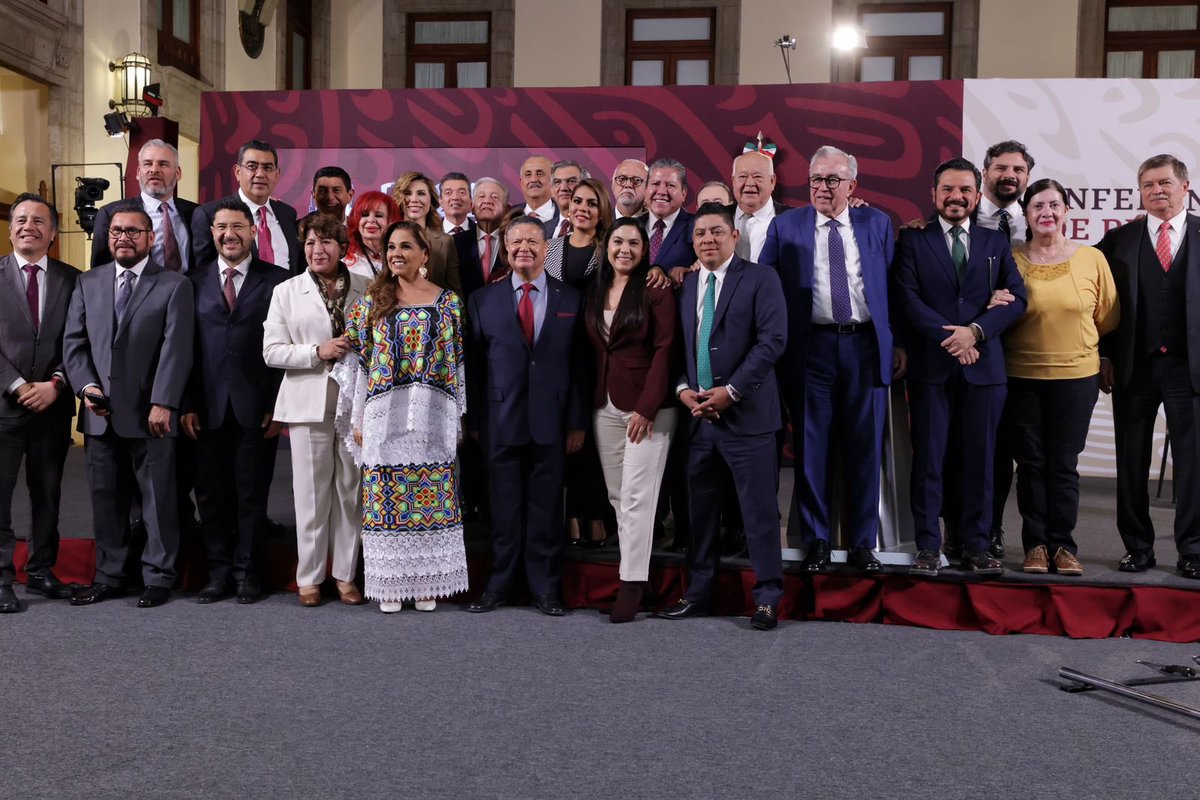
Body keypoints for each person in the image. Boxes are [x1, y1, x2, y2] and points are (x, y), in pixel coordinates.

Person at [760, 145, 902, 574]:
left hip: (864, 347)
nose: (822, 187)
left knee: (865, 449)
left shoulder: (877, 223)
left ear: (851, 185)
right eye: (816, 180)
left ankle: (862, 543)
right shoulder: (787, 226)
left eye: (832, 180)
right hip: (811, 350)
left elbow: (891, 287)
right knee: (811, 449)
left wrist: (897, 343)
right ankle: (817, 541)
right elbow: (765, 286)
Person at [653, 202, 787, 631]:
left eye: (716, 232)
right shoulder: (689, 285)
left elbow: (772, 341)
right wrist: (682, 390)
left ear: (735, 237)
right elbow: (679, 350)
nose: (707, 239)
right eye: (700, 234)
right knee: (700, 514)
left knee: (759, 513)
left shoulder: (761, 278)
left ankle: (767, 598)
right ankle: (698, 593)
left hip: (746, 416)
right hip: (699, 420)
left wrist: (731, 391)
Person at [893, 158, 1027, 578]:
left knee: (981, 461)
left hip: (985, 370)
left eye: (965, 190)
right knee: (929, 459)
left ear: (976, 194)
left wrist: (976, 332)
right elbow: (907, 298)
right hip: (933, 367)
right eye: (948, 189)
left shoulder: (995, 243)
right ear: (934, 194)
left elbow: (1018, 300)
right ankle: (929, 546)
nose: (956, 197)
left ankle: (977, 545)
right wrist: (952, 338)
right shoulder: (912, 240)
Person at [333, 221, 469, 613]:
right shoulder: (373, 302)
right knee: (385, 498)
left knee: (430, 498)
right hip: (382, 417)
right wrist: (358, 420)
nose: (397, 253)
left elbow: (456, 366)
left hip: (431, 416)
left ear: (424, 255)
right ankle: (390, 585)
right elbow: (359, 365)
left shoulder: (448, 303)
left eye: (406, 246)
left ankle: (426, 584)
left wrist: (455, 417)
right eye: (391, 246)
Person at [63, 202, 194, 608]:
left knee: (158, 500)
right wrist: (85, 388)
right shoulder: (88, 282)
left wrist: (163, 402)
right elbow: (74, 343)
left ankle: (159, 576)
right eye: (117, 231)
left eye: (134, 231)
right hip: (98, 414)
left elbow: (177, 349)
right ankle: (111, 575)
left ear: (150, 239)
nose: (124, 237)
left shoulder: (174, 284)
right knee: (106, 500)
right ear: (108, 236)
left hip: (151, 414)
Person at [465, 215, 588, 616]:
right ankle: (498, 587)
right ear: (505, 246)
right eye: (516, 242)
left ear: (546, 247)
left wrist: (576, 422)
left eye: (533, 242)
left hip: (552, 422)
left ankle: (545, 590)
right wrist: (477, 423)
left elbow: (580, 366)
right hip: (500, 422)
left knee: (546, 511)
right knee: (502, 511)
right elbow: (475, 369)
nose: (524, 249)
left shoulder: (571, 298)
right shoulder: (483, 299)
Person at [996, 179, 1118, 575]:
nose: (1046, 212)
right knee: (1030, 464)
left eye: (1054, 205)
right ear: (1026, 214)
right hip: (1021, 375)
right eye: (1038, 206)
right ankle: (1034, 546)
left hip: (1077, 376)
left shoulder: (1092, 258)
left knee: (1063, 464)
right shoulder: (1008, 258)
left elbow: (1108, 315)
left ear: (1066, 211)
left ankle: (1063, 545)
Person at [1098, 154, 1200, 578]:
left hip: (1189, 371)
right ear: (1139, 192)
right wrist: (1103, 353)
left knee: (1194, 466)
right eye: (1148, 185)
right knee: (1131, 461)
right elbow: (1098, 301)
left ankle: (1193, 550)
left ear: (1185, 185)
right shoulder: (1118, 241)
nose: (1157, 191)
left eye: (1164, 183)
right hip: (1133, 369)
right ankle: (1137, 547)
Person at [181, 198, 288, 604]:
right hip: (205, 409)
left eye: (238, 227)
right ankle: (218, 573)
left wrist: (279, 406)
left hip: (256, 408)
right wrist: (187, 403)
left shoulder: (279, 280)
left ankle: (248, 574)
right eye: (222, 227)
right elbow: (183, 350)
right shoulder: (190, 282)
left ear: (252, 231)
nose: (229, 234)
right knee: (210, 496)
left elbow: (286, 349)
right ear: (212, 233)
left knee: (251, 495)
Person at [262, 215, 368, 606]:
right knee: (310, 494)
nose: (316, 250)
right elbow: (271, 351)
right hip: (308, 402)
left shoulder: (366, 287)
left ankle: (344, 575)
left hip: (355, 404)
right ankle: (308, 576)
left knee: (350, 492)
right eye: (309, 243)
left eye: (325, 242)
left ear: (343, 247)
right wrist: (316, 352)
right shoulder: (286, 291)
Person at [585, 218, 676, 622]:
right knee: (619, 498)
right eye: (618, 241)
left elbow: (665, 350)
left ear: (645, 251)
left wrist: (648, 406)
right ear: (606, 246)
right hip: (603, 404)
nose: (625, 248)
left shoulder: (655, 289)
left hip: (646, 407)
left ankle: (632, 585)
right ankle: (639, 575)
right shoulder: (594, 289)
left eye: (634, 243)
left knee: (639, 498)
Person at [0, 194, 80, 613]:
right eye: (20, 219)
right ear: (11, 227)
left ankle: (41, 570)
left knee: (47, 493)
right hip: (3, 406)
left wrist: (56, 383)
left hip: (53, 404)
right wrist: (15, 384)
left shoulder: (74, 279)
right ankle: (0, 578)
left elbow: (80, 341)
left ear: (52, 232)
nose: (28, 225)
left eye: (38, 221)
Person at [544, 177, 614, 548]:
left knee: (589, 438)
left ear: (601, 210)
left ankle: (595, 514)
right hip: (557, 353)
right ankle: (569, 515)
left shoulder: (612, 249)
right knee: (562, 436)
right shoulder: (550, 248)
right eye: (577, 201)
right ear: (567, 208)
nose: (583, 208)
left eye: (591, 202)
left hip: (597, 353)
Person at [192, 139, 304, 274]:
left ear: (277, 174)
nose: (260, 174)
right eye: (252, 166)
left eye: (268, 168)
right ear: (238, 172)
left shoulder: (287, 213)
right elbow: (204, 274)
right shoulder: (209, 214)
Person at [92, 138, 198, 272]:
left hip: (188, 290)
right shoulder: (110, 213)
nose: (154, 170)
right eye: (147, 164)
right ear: (138, 172)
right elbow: (99, 270)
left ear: (178, 173)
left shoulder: (196, 213)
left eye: (163, 164)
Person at [390, 170, 463, 296]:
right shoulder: (387, 237)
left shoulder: (445, 242)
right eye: (408, 193)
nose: (414, 199)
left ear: (431, 200)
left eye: (421, 194)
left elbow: (455, 293)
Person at [456, 177, 508, 298]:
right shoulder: (456, 242)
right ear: (472, 207)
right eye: (481, 196)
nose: (487, 201)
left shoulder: (514, 243)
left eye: (494, 197)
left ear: (506, 208)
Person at [732, 150, 788, 263]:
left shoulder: (792, 220)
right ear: (733, 181)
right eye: (742, 176)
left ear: (772, 181)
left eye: (757, 176)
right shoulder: (718, 216)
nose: (750, 183)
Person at [344, 190, 401, 278]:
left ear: (391, 221)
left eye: (378, 215)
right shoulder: (344, 259)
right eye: (365, 215)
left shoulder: (400, 257)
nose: (371, 220)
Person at [516, 155, 559, 237]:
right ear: (521, 183)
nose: (534, 179)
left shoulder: (566, 216)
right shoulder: (508, 215)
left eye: (540, 174)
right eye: (528, 175)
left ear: (553, 180)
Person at [548, 160, 587, 238]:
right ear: (551, 190)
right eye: (557, 182)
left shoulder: (596, 226)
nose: (563, 188)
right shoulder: (543, 229)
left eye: (571, 181)